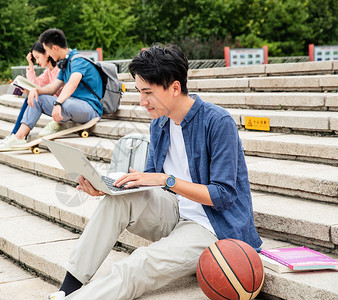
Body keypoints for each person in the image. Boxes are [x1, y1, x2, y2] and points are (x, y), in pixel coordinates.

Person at [47, 45, 262, 300]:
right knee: (115, 202)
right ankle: (66, 289)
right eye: (139, 92)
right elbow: (149, 180)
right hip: (174, 211)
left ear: (174, 87)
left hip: (212, 226)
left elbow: (224, 195)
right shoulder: (160, 123)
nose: (142, 102)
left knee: (138, 264)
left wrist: (166, 180)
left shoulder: (217, 122)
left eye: (148, 92)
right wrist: (108, 188)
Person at [0, 28, 103, 151]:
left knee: (64, 101)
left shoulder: (78, 61)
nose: (48, 54)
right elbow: (52, 88)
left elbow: (72, 84)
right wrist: (36, 91)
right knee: (38, 98)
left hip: (90, 109)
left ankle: (58, 123)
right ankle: (19, 137)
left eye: (47, 50)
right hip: (71, 106)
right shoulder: (65, 64)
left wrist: (58, 103)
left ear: (55, 48)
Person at [0, 41, 62, 149]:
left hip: (61, 106)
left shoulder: (59, 70)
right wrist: (30, 65)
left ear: (47, 54)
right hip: (54, 104)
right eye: (35, 59)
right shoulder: (49, 71)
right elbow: (34, 84)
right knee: (30, 98)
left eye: (38, 57)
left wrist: (34, 92)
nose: (37, 61)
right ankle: (15, 135)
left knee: (33, 98)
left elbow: (52, 91)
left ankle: (16, 135)